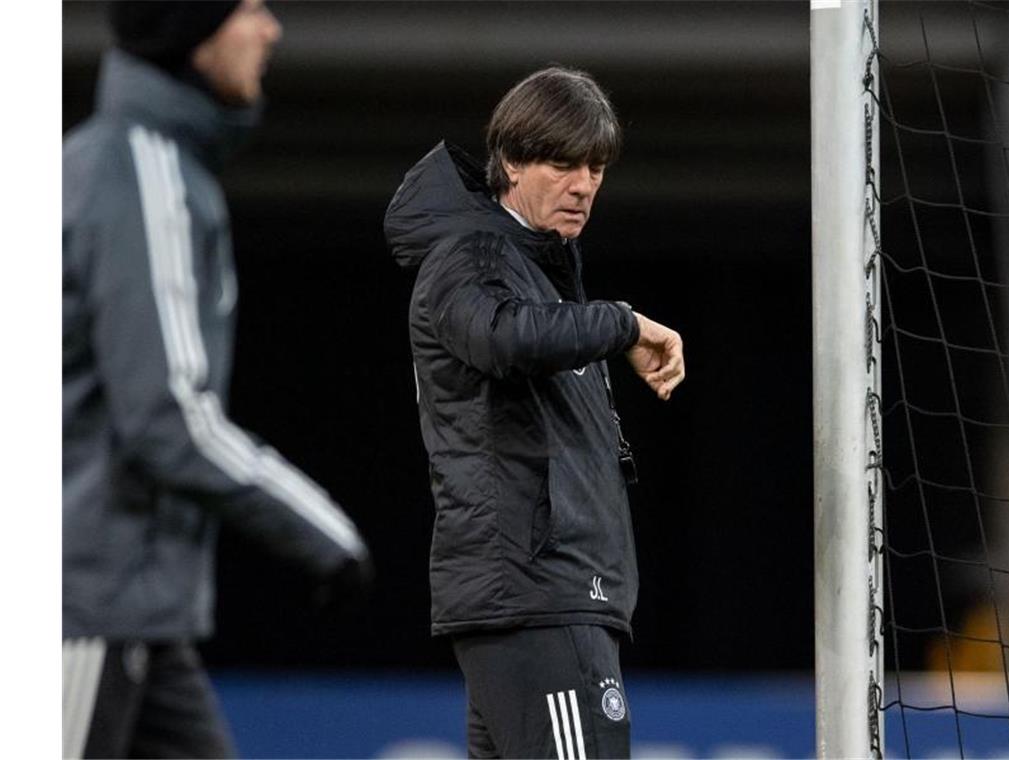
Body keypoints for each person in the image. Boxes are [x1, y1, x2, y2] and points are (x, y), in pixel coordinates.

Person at [62, 2, 372, 757]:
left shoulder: (131, 165)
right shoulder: (139, 173)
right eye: (250, 9)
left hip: (136, 614)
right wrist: (320, 527)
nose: (270, 30)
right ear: (191, 33)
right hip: (82, 605)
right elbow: (167, 415)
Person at [384, 66, 685, 759]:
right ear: (511, 161)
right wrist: (626, 324)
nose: (584, 185)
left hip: (543, 596)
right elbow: (503, 337)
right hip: (538, 598)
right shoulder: (471, 251)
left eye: (596, 166)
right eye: (563, 162)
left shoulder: (531, 267)